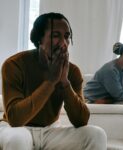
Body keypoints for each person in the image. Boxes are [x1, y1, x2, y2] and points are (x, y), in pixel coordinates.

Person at [0, 12, 107, 150]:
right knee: (18, 139)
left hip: (50, 131)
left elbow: (81, 120)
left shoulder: (73, 71)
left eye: (67, 37)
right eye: (56, 36)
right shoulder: (14, 64)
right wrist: (50, 82)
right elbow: (15, 119)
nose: (63, 43)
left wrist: (64, 82)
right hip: (15, 128)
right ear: (39, 38)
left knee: (96, 134)